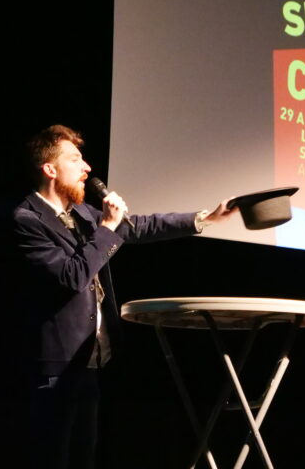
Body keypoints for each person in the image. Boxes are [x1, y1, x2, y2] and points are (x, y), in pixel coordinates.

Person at [12, 124, 236, 469]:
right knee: (53, 457)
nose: (87, 167)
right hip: (57, 367)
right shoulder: (27, 220)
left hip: (90, 360)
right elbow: (72, 277)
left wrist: (204, 218)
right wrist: (106, 228)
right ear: (50, 169)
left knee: (84, 456)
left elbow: (140, 226)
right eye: (75, 159)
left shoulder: (81, 214)